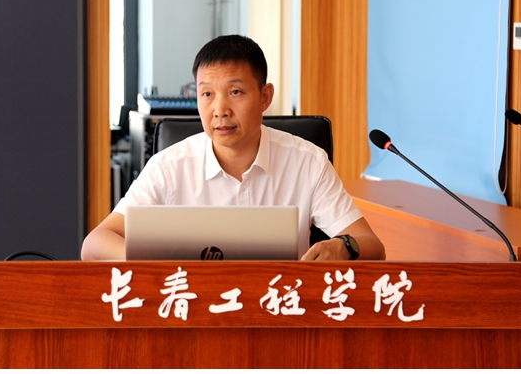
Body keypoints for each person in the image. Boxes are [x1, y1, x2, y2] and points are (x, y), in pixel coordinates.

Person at [82, 35, 386, 261]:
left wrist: (344, 246)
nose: (220, 110)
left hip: (278, 308)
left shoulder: (308, 162)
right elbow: (95, 243)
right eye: (207, 94)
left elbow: (372, 245)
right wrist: (154, 263)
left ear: (265, 97)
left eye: (235, 92)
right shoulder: (169, 167)